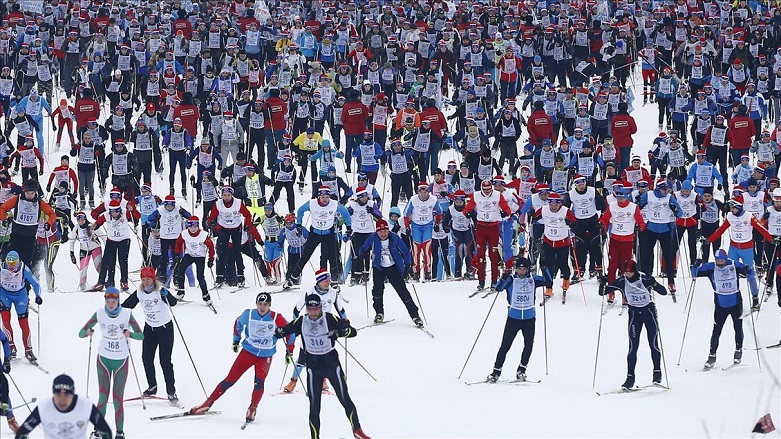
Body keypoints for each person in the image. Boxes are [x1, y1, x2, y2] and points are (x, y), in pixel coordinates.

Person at [190, 292, 294, 425]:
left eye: (265, 305)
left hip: (265, 355)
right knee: (230, 379)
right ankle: (207, 403)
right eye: (260, 304)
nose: (262, 307)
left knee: (259, 382)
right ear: (256, 304)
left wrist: (289, 351)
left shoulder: (276, 318)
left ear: (270, 305)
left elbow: (290, 333)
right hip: (248, 352)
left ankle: (252, 408)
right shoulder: (249, 314)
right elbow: (238, 324)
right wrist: (236, 340)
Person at [275, 294, 370, 439]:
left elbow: (351, 331)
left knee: (344, 397)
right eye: (310, 309)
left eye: (315, 309)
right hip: (313, 367)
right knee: (314, 405)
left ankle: (357, 430)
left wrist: (339, 332)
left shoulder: (329, 318)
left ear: (320, 308)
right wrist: (280, 332)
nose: (312, 312)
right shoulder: (302, 321)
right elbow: (285, 330)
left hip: (331, 363)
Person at [78, 288, 144, 439]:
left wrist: (130, 334)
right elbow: (81, 332)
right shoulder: (99, 313)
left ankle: (120, 433)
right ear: (105, 300)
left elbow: (141, 336)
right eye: (108, 301)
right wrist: (87, 332)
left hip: (121, 360)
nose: (111, 304)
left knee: (117, 399)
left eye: (114, 301)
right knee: (102, 398)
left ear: (118, 300)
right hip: (103, 359)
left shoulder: (127, 313)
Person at [601, 260, 668, 390]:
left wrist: (654, 283)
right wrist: (603, 283)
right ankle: (630, 378)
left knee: (653, 343)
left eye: (629, 272)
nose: (627, 275)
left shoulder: (644, 279)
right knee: (633, 346)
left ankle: (657, 373)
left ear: (635, 271)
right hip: (634, 315)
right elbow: (603, 292)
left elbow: (663, 292)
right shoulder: (622, 281)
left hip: (649, 312)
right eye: (625, 272)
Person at [487, 257, 552, 383]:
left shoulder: (533, 279)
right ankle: (496, 371)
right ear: (516, 269)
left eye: (524, 269)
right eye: (519, 269)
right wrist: (504, 277)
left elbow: (548, 281)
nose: (521, 272)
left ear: (527, 269)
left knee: (528, 345)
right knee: (505, 346)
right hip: (513, 318)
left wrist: (545, 268)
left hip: (529, 318)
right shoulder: (511, 279)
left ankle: (522, 370)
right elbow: (498, 288)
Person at [691, 249, 758, 369]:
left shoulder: (733, 264)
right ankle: (712, 356)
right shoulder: (711, 267)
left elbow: (749, 271)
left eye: (722, 260)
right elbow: (695, 274)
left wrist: (748, 269)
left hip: (736, 302)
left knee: (738, 327)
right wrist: (694, 265)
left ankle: (738, 350)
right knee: (716, 330)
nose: (720, 263)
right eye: (718, 260)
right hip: (720, 304)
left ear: (726, 259)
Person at [120, 267, 179, 403]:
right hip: (150, 328)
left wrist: (167, 295)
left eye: (148, 279)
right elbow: (127, 305)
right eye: (143, 279)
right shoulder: (139, 292)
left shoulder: (160, 291)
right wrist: (114, 310)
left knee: (165, 361)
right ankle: (152, 386)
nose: (146, 282)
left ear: (153, 279)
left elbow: (174, 303)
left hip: (165, 329)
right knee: (146, 358)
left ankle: (171, 391)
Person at [358, 219, 423, 327]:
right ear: (377, 231)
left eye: (385, 231)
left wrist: (407, 265)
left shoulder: (394, 237)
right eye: (380, 231)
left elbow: (406, 251)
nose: (383, 233)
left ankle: (415, 315)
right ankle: (379, 313)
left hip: (393, 267)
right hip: (379, 267)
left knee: (403, 291)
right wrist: (362, 253)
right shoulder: (373, 237)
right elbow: (363, 248)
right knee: (377, 291)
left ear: (388, 230)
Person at [283, 186, 352, 288]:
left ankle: (334, 282)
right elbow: (300, 211)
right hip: (315, 233)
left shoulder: (334, 204)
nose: (325, 199)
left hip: (328, 233)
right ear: (319, 196)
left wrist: (349, 227)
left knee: (333, 257)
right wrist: (299, 225)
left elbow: (345, 212)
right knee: (305, 256)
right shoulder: (312, 203)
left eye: (327, 197)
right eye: (323, 197)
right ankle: (293, 278)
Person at [15, 374, 113, 439]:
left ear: (73, 394)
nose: (62, 400)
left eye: (66, 396)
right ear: (53, 394)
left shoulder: (86, 406)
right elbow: (21, 433)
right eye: (58, 395)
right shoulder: (43, 408)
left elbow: (106, 432)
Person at [462, 180, 512, 293]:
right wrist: (467, 213)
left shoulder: (498, 195)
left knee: (493, 254)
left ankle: (494, 280)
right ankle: (481, 281)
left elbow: (507, 209)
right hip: (481, 227)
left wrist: (505, 213)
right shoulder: (476, 195)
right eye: (485, 190)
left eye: (489, 190)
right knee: (480, 255)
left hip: (494, 226)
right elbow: (466, 209)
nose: (487, 192)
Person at [0, 251, 42, 363]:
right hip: (4, 295)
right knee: (5, 320)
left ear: (18, 262)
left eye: (14, 263)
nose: (11, 266)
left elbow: (36, 283)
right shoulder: (2, 267)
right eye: (9, 263)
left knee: (23, 324)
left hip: (20, 296)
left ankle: (28, 350)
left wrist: (38, 296)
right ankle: (11, 347)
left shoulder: (23, 268)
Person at [174, 216, 215, 303]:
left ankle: (206, 295)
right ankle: (181, 291)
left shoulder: (203, 235)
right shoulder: (184, 233)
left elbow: (211, 246)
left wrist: (211, 259)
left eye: (195, 227)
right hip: (189, 254)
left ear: (198, 226)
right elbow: (178, 243)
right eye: (191, 226)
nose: (193, 229)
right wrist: (177, 254)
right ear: (187, 226)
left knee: (200, 276)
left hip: (200, 256)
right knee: (181, 270)